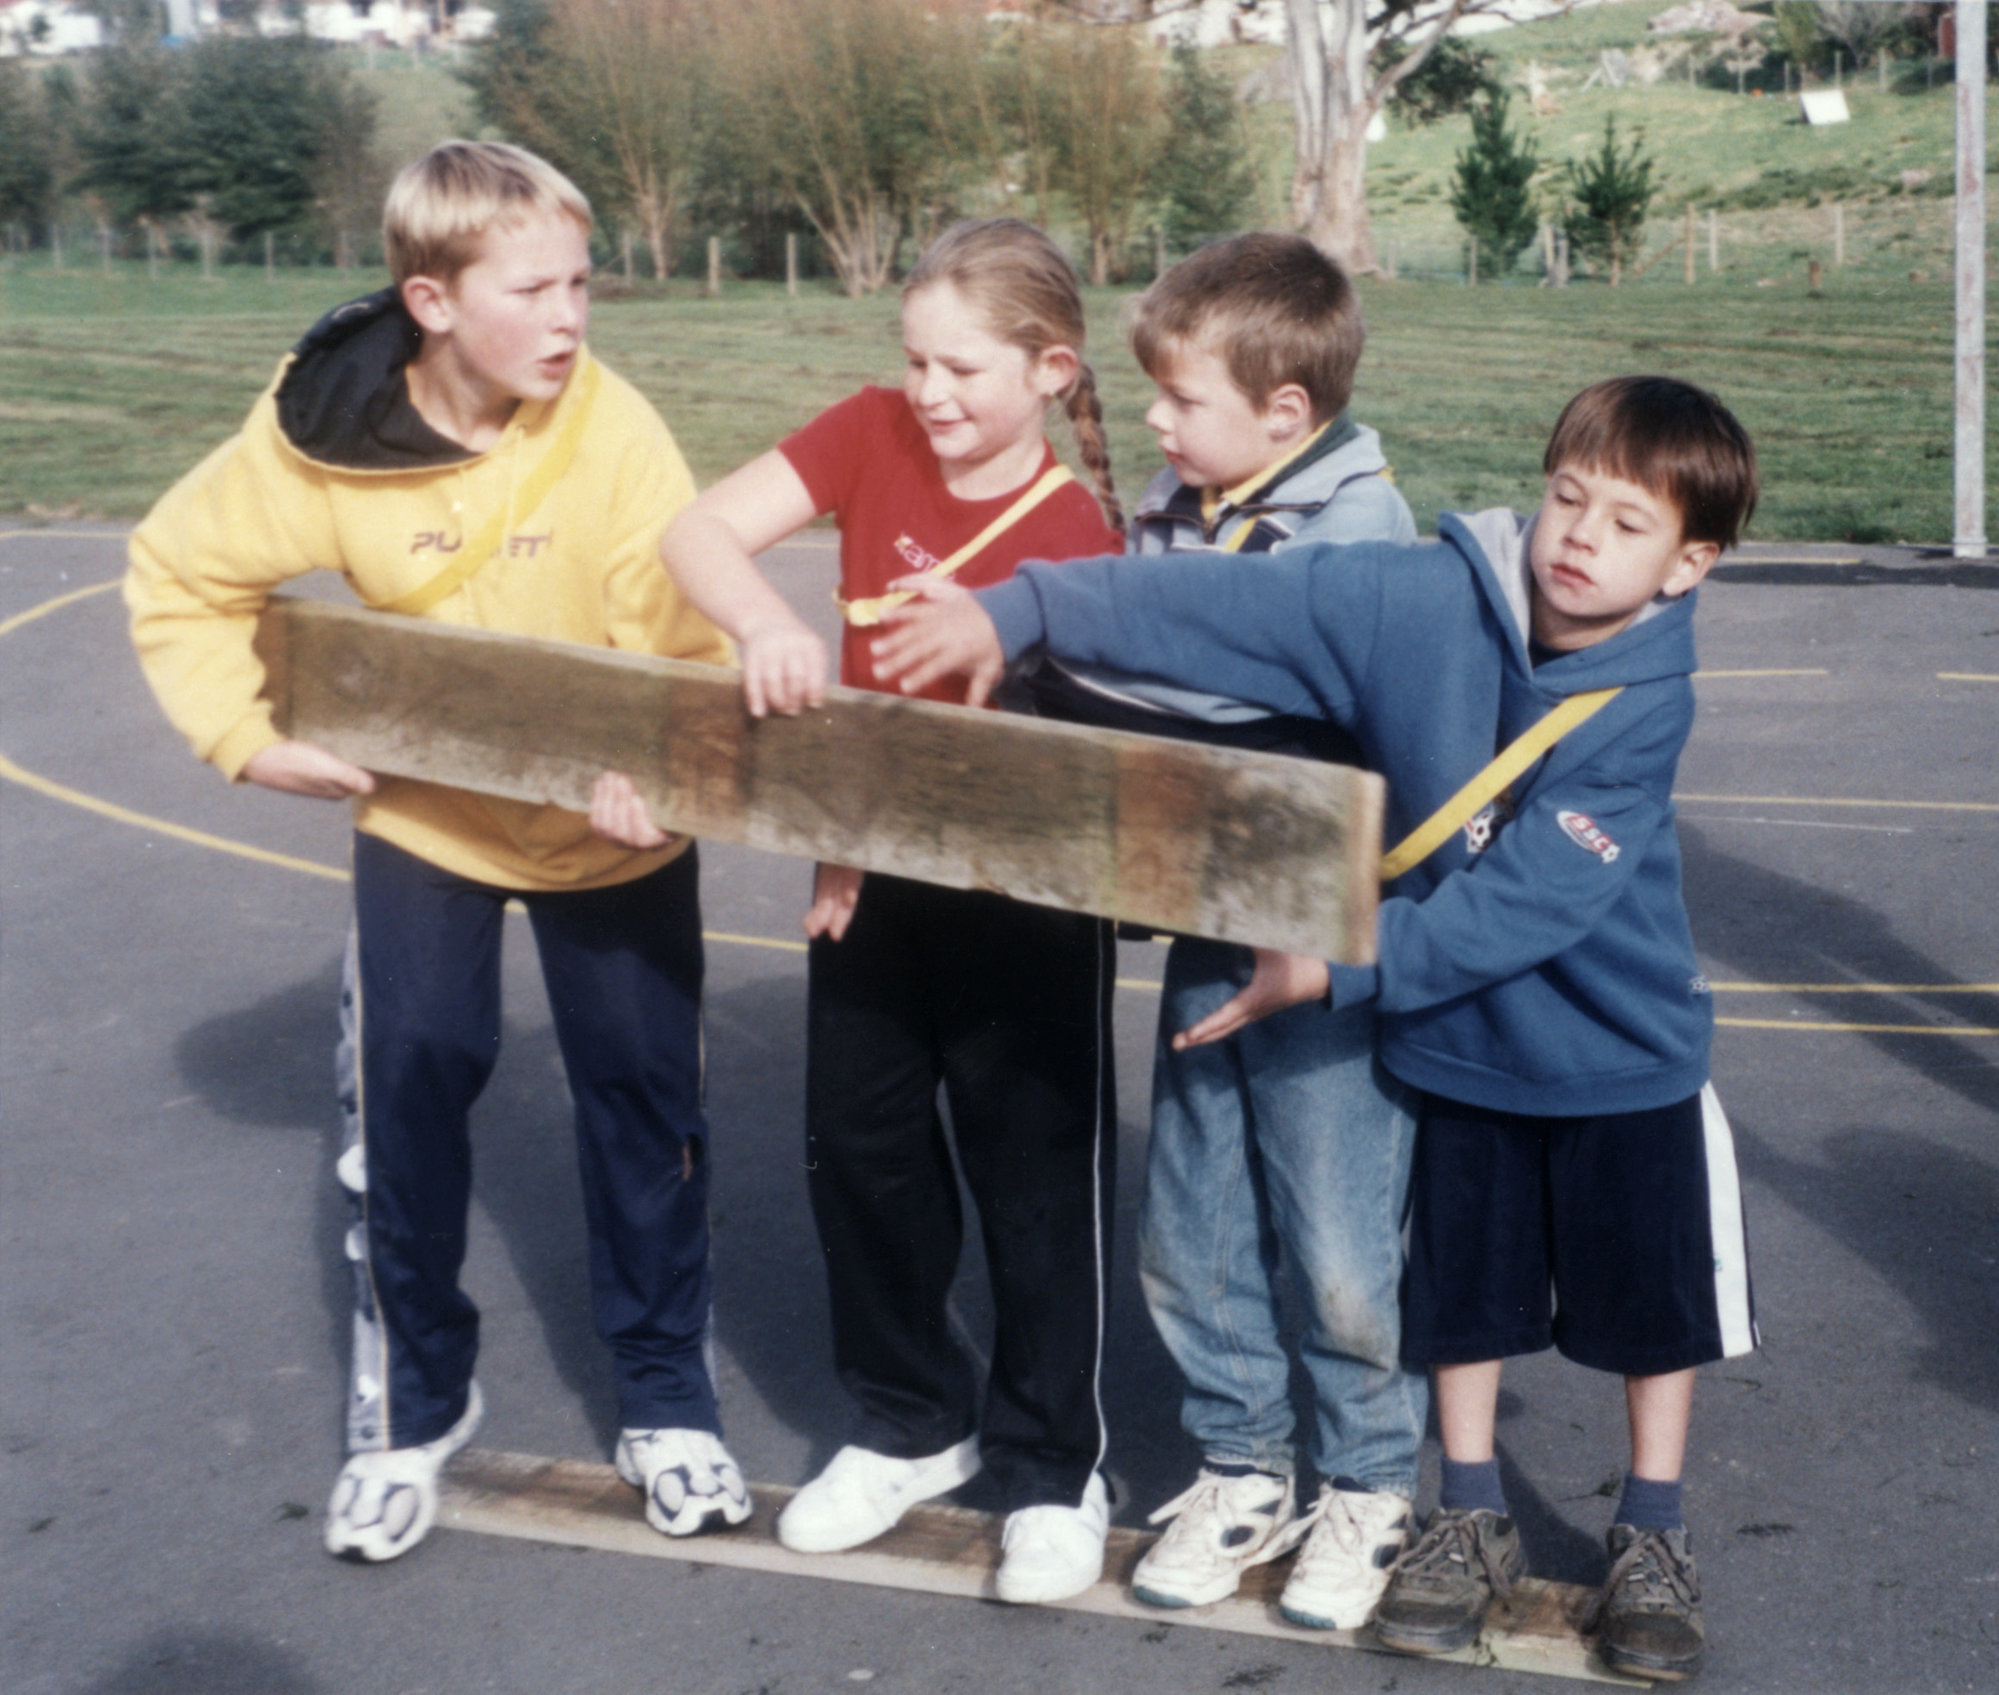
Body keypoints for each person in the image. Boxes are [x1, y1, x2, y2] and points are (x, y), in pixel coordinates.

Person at [873, 375, 1761, 1681]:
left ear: (1690, 566)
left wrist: (1338, 970)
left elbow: (1523, 907)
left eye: (1625, 525)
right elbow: (1220, 604)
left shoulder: (1646, 702)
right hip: (1461, 1044)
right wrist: (1018, 607)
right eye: (1569, 497)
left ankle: (1653, 1528)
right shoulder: (1419, 599)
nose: (1579, 535)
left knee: (1646, 1314)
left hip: (1611, 1049)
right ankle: (1459, 1510)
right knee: (1458, 1303)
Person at [123, 141, 749, 1564]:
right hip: (428, 816)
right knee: (407, 1088)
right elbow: (178, 571)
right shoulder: (320, 438)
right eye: (534, 288)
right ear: (433, 299)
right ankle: (413, 1412)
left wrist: (665, 777)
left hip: (611, 831)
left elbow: (686, 629)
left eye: (583, 283)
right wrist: (245, 735)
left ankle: (665, 1402)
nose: (572, 316)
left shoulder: (614, 426)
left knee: (647, 1118)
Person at [598, 218, 1124, 1605]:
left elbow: (1066, 777)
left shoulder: (1081, 536)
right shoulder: (867, 430)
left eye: (963, 368)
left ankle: (1054, 1466)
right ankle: (911, 1420)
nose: (931, 392)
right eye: (915, 360)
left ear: (1054, 372)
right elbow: (695, 529)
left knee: (1031, 1185)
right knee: (864, 1156)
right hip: (865, 885)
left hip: (1018, 901)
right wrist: (765, 623)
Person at [1003, 233, 1428, 1631]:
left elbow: (1220, 691)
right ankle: (1243, 1462)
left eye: (1182, 402)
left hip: (1325, 950)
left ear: (1286, 415)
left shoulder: (1357, 532)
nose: (1157, 426)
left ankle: (1366, 1481)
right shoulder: (1183, 494)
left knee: (1341, 1239)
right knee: (1191, 1218)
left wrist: (1058, 663)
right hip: (1207, 914)